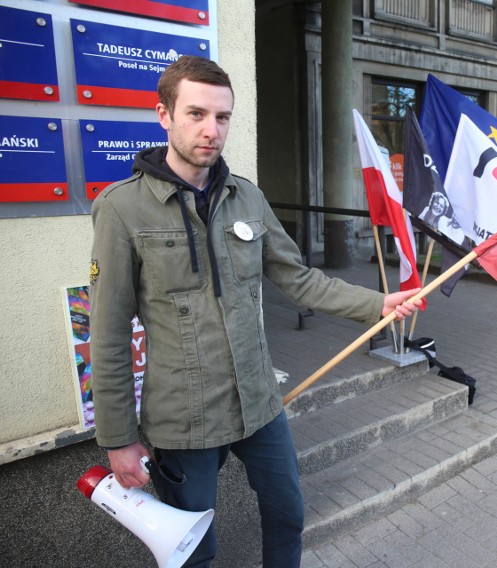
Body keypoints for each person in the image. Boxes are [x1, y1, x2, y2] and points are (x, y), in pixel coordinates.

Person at [88, 56, 421, 568]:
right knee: (194, 548)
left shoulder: (247, 197)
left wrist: (378, 303)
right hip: (185, 420)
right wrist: (118, 440)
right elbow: (108, 334)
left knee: (288, 516)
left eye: (222, 117)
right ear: (163, 115)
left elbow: (300, 279)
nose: (210, 130)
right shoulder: (122, 208)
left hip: (260, 405)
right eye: (196, 114)